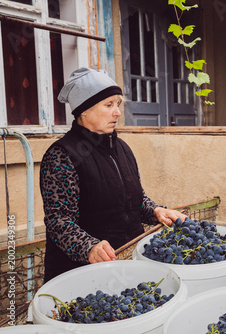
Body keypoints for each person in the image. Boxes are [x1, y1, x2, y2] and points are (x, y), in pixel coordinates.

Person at [40, 67, 186, 281]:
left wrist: (155, 211)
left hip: (127, 263)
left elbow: (134, 199)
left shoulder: (122, 148)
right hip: (82, 275)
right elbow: (58, 221)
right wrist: (89, 246)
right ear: (84, 110)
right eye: (108, 105)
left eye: (117, 104)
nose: (117, 112)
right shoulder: (62, 155)